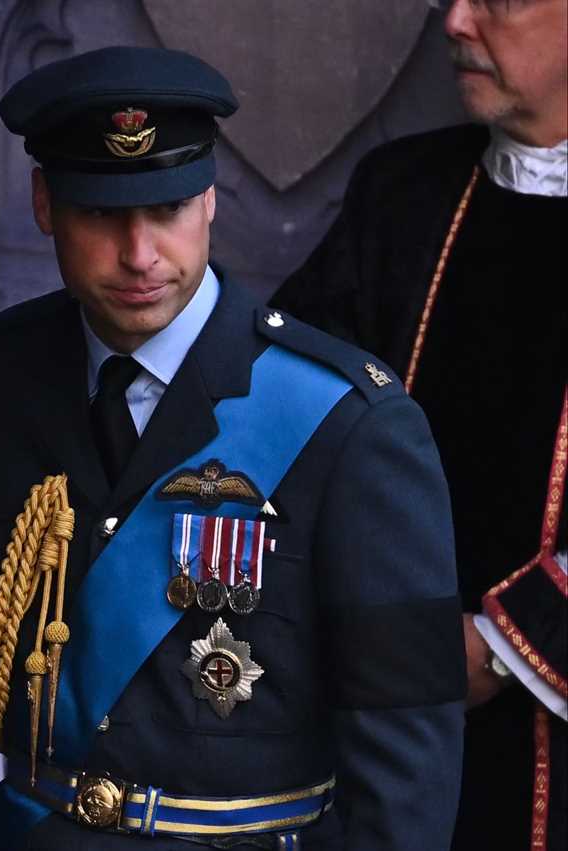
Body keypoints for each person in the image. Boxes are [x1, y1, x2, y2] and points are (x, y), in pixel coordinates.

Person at [0, 46, 468, 850]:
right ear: (44, 203)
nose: (139, 255)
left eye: (165, 208)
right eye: (102, 213)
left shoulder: (349, 423)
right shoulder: (3, 376)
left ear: (207, 203)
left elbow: (407, 778)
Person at [271, 2, 567, 848]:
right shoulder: (403, 196)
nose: (456, 20)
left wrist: (501, 647)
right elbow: (281, 407)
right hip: (378, 734)